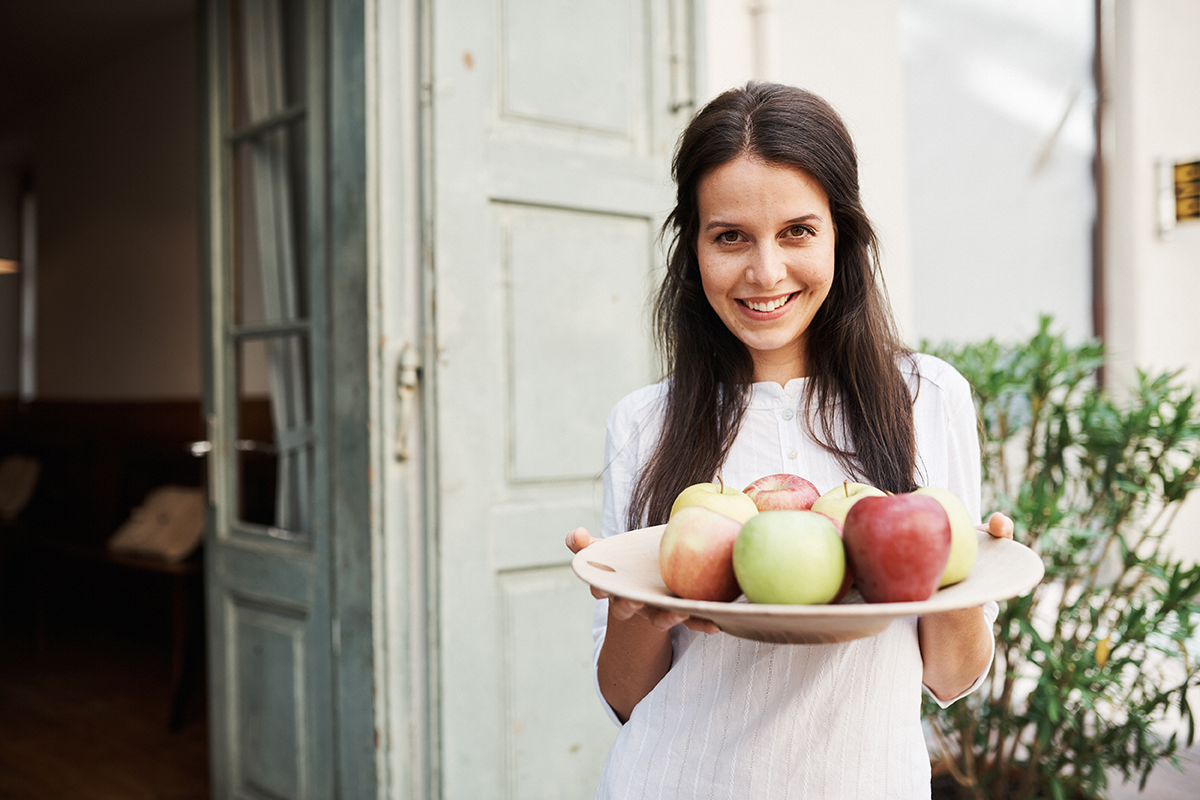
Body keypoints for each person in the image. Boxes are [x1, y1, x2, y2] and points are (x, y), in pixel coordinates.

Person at [565, 82, 1014, 799]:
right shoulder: (644, 424)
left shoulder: (926, 398)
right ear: (694, 250)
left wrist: (965, 579)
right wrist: (629, 611)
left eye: (797, 232)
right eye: (731, 236)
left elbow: (951, 678)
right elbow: (625, 698)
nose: (765, 272)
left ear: (843, 233)